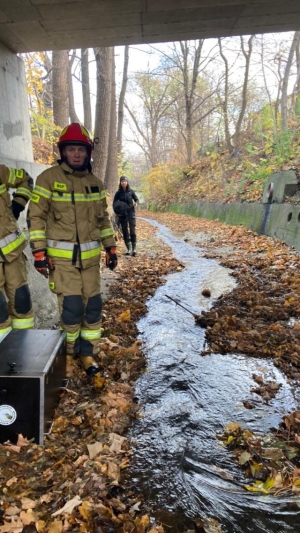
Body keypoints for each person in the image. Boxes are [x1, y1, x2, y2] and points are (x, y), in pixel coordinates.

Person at [27, 123, 117, 377]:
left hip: (90, 262)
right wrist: (39, 253)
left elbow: (103, 221)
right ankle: (68, 353)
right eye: (71, 149)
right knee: (72, 307)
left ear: (87, 152)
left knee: (93, 306)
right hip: (62, 262)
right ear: (63, 152)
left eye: (80, 149)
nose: (76, 154)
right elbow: (36, 217)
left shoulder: (95, 184)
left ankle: (87, 353)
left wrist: (110, 249)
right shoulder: (48, 179)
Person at [0, 164, 34, 341]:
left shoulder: (1, 171)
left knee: (21, 302)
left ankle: (24, 346)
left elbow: (27, 180)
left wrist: (16, 206)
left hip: (13, 253)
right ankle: (4, 356)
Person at [113, 176, 139, 256]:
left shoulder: (131, 191)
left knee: (132, 230)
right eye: (122, 181)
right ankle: (129, 249)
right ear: (120, 183)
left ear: (127, 182)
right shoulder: (118, 193)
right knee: (125, 231)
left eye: (125, 181)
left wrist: (136, 203)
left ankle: (134, 249)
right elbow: (114, 203)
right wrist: (117, 211)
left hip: (131, 212)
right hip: (122, 214)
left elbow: (136, 199)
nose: (124, 182)